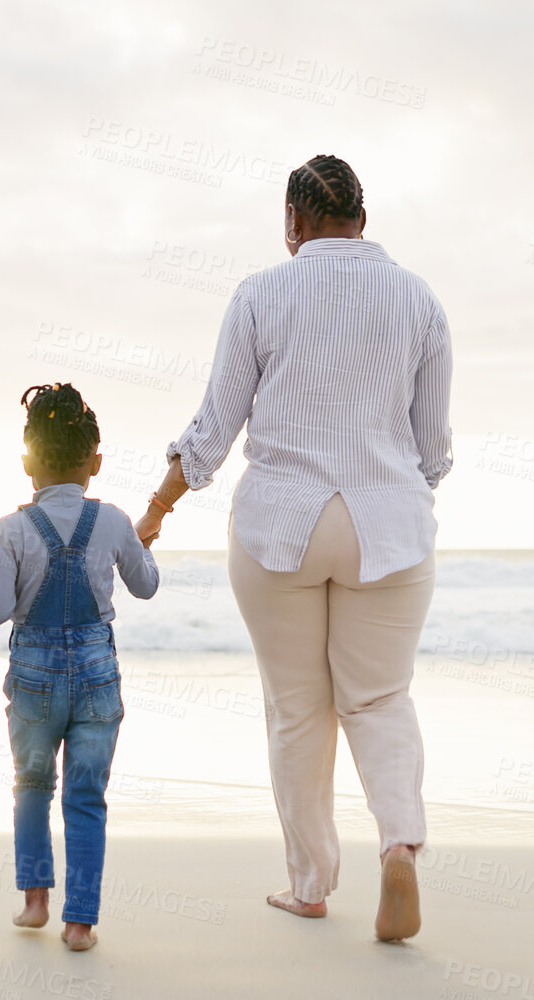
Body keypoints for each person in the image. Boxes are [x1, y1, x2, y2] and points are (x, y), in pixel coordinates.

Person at [135, 155, 452, 942]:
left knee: (297, 709)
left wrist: (156, 511)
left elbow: (212, 429)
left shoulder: (259, 294)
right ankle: (399, 845)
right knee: (378, 698)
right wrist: (391, 490)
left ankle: (310, 883)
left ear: (292, 222)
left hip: (280, 526)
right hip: (388, 526)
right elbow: (432, 446)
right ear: (363, 220)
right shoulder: (419, 299)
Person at [0, 382, 160, 951]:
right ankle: (80, 923)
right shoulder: (114, 520)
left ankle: (35, 902)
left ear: (28, 463)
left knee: (31, 784)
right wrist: (142, 546)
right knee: (85, 794)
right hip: (98, 675)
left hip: (33, 678)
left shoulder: (10, 529)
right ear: (95, 462)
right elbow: (145, 586)